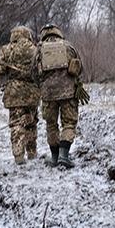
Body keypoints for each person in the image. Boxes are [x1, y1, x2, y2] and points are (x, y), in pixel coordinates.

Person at [0, 26, 40, 165]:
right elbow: (41, 71)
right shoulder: (35, 50)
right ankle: (32, 152)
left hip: (14, 93)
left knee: (16, 123)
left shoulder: (7, 50)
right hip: (32, 92)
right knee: (31, 122)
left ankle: (18, 154)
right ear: (28, 35)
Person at [34, 24, 86, 168]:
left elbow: (33, 72)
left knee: (51, 125)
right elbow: (80, 67)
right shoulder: (68, 47)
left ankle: (55, 157)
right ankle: (64, 155)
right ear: (59, 33)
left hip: (48, 95)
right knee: (69, 123)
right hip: (68, 93)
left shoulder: (39, 49)